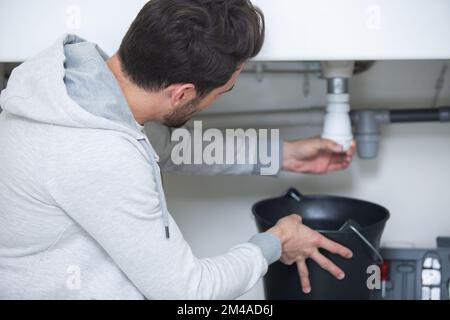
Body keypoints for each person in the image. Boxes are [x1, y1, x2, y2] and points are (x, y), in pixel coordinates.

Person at [0, 0, 355, 299]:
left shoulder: (76, 88)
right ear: (182, 93)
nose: (219, 98)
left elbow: (161, 147)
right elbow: (187, 292)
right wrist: (276, 242)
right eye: (222, 92)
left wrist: (284, 154)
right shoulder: (98, 153)